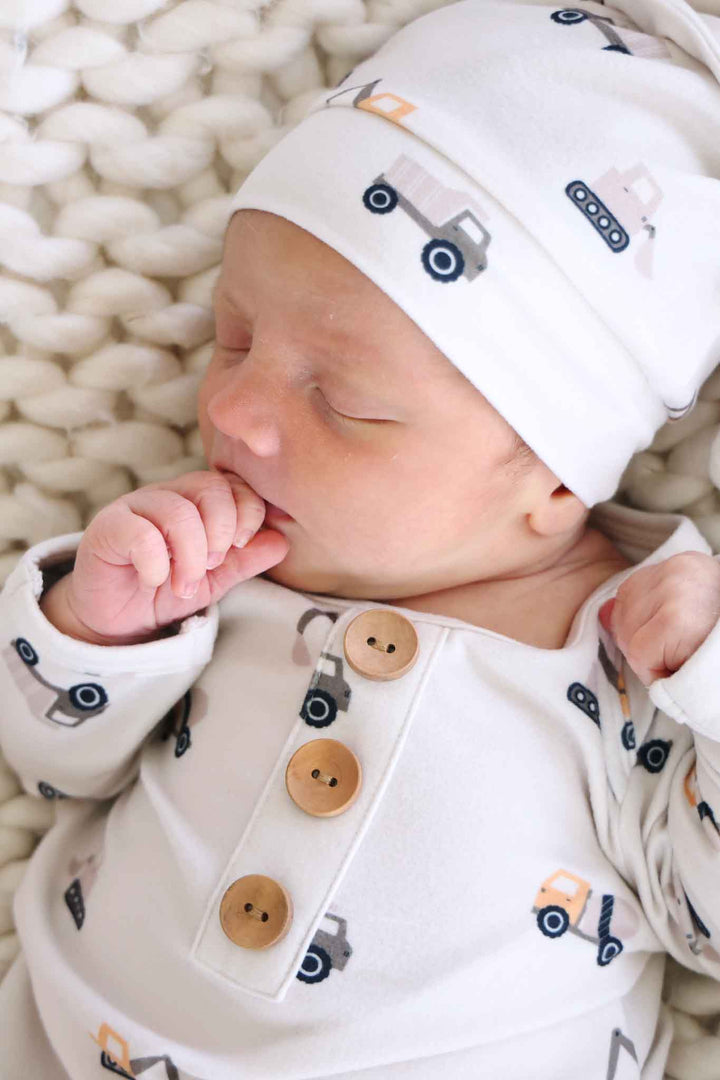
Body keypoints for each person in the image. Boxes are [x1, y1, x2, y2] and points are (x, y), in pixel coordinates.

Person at [1, 0, 720, 1076]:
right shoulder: (212, 569)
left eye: (341, 401)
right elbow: (53, 764)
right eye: (231, 337)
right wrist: (95, 629)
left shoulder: (643, 648)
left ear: (555, 476)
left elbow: (700, 914)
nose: (236, 414)